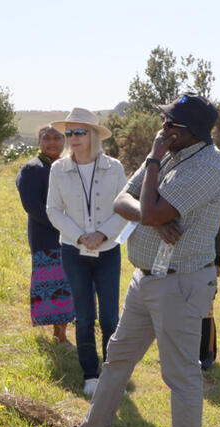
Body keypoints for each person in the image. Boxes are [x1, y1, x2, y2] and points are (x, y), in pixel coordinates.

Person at [54, 93, 220, 427]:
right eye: (165, 122)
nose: (163, 129)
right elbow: (123, 200)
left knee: (180, 374)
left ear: (191, 132)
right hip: (146, 277)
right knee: (117, 357)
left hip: (180, 283)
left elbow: (147, 208)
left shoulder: (208, 167)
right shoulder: (169, 153)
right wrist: (152, 214)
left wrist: (150, 186)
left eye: (171, 125)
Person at [46, 109, 128, 396]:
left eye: (79, 132)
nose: (72, 138)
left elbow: (125, 208)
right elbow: (53, 210)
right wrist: (81, 236)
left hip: (107, 250)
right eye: (69, 133)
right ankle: (91, 375)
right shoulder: (59, 169)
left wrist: (102, 234)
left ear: (93, 135)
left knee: (109, 318)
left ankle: (113, 375)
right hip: (73, 250)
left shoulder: (114, 168)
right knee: (83, 316)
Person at [16, 125, 75, 347]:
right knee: (55, 286)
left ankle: (63, 332)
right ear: (38, 142)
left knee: (69, 284)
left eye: (57, 138)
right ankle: (59, 336)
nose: (52, 142)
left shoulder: (66, 166)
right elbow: (32, 206)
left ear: (64, 141)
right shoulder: (32, 169)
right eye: (46, 138)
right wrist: (64, 224)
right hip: (47, 237)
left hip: (70, 236)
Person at [199, 224, 220, 371]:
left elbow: (216, 225)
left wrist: (217, 259)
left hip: (206, 257)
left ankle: (207, 353)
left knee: (206, 308)